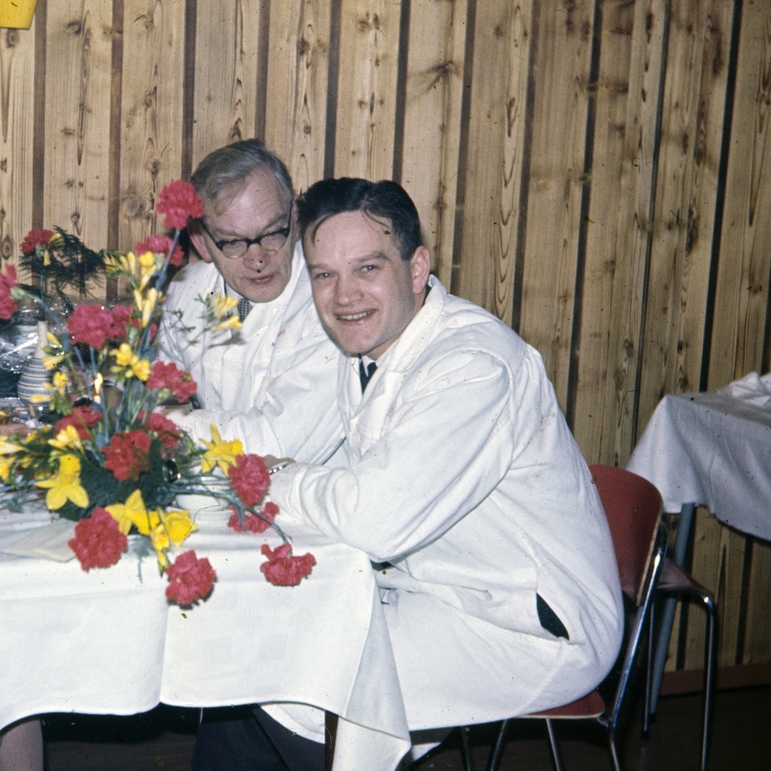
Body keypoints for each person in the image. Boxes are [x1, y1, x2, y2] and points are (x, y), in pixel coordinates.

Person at [263, 178, 624, 761]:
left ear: (415, 267)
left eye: (368, 268)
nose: (344, 295)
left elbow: (377, 520)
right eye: (324, 274)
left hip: (530, 624)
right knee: (268, 640)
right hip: (438, 586)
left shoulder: (474, 365)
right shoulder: (366, 345)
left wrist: (280, 477)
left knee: (306, 680)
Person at [157, 139, 344, 467]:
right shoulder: (187, 292)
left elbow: (272, 445)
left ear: (296, 219)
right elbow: (162, 387)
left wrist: (154, 424)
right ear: (201, 241)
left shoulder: (334, 305)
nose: (257, 260)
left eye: (273, 234)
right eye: (232, 242)